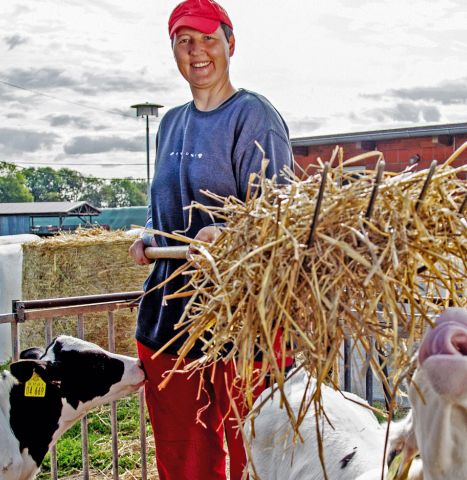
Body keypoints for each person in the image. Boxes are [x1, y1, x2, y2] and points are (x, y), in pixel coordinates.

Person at [127, 1, 293, 478]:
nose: (196, 51)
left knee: (254, 457)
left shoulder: (253, 116)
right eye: (184, 41)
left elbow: (279, 214)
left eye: (207, 39)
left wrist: (229, 232)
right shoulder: (170, 123)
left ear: (230, 44)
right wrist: (147, 234)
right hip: (169, 322)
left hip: (240, 325)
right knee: (182, 461)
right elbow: (165, 204)